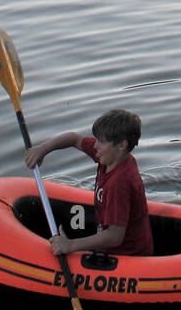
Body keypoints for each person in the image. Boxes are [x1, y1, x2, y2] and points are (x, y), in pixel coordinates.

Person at [24, 110, 153, 258]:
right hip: (113, 239)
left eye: (101, 141)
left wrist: (71, 245)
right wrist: (43, 149)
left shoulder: (119, 183)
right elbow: (74, 139)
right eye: (96, 139)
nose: (95, 146)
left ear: (122, 145)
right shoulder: (110, 156)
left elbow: (115, 236)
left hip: (128, 255)